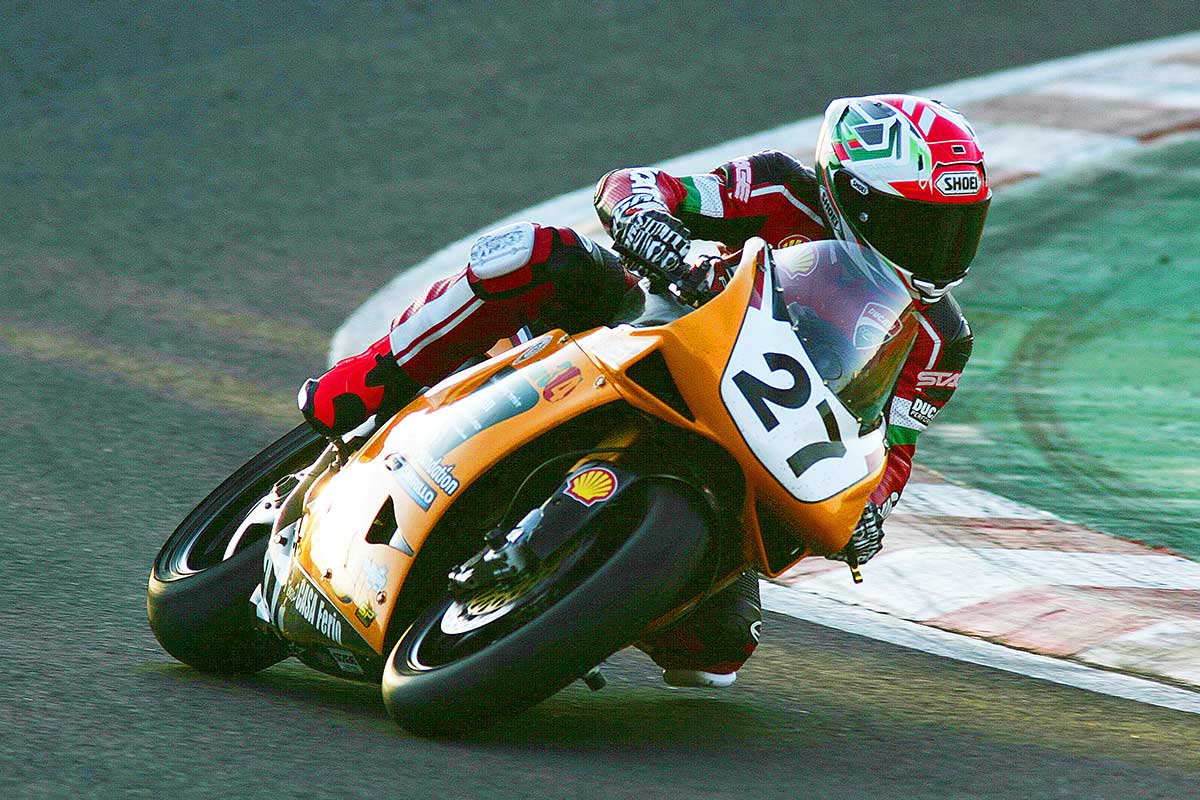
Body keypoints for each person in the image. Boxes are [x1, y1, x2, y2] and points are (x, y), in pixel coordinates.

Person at [298, 94, 991, 688]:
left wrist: (869, 510)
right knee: (533, 254)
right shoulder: (779, 190)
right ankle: (368, 380)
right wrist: (656, 230)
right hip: (651, 329)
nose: (942, 248)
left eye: (961, 227)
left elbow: (894, 448)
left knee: (718, 653)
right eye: (921, 225)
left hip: (759, 439)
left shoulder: (941, 337)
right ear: (851, 196)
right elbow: (637, 186)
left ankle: (562, 601)